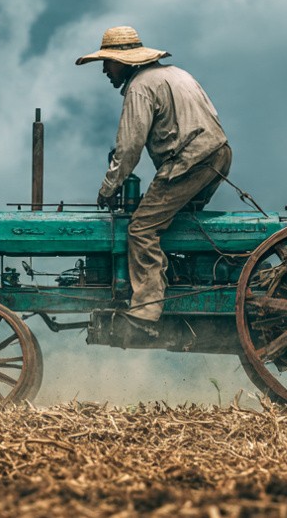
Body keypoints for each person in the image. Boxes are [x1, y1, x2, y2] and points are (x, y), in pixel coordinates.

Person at [77, 26, 232, 332]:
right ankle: (182, 281)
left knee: (141, 229)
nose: (106, 70)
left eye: (107, 63)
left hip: (189, 162)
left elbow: (129, 147)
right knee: (181, 224)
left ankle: (145, 311)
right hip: (219, 153)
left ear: (125, 61)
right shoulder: (176, 74)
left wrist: (109, 188)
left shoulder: (140, 87)